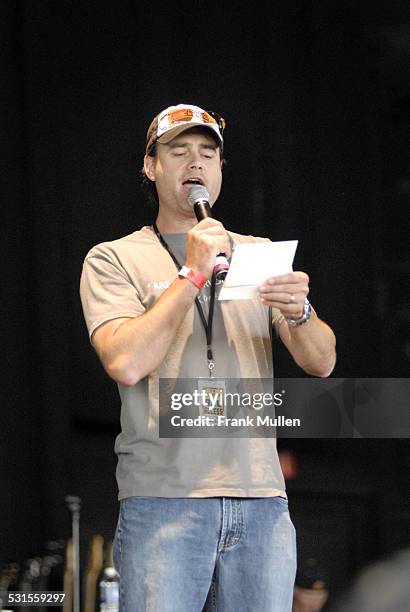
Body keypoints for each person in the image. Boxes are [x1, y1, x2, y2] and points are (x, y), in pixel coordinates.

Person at [80, 103, 336, 612]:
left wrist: (301, 311)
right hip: (163, 500)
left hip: (261, 502)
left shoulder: (257, 253)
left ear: (219, 171)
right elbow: (125, 362)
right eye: (179, 152)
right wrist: (192, 275)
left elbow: (322, 362)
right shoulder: (114, 258)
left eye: (207, 153)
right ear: (151, 167)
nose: (195, 163)